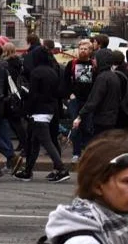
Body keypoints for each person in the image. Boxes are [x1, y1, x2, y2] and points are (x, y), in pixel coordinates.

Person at [15, 44, 70, 182]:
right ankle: (28, 171)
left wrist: (26, 110)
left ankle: (61, 169)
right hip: (50, 109)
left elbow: (33, 95)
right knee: (35, 141)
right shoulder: (53, 71)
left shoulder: (36, 72)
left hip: (38, 111)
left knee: (46, 142)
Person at [74, 49, 122, 141]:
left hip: (101, 118)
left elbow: (94, 100)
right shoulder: (114, 76)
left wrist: (80, 115)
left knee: (99, 144)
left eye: (95, 59)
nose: (93, 61)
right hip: (112, 117)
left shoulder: (102, 78)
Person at [63, 39, 96, 162]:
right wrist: (70, 94)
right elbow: (65, 81)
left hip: (88, 100)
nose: (82, 51)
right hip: (75, 100)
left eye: (85, 49)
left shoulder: (93, 65)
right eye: (81, 48)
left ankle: (87, 152)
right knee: (76, 126)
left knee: (87, 126)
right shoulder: (71, 64)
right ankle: (76, 153)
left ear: (90, 51)